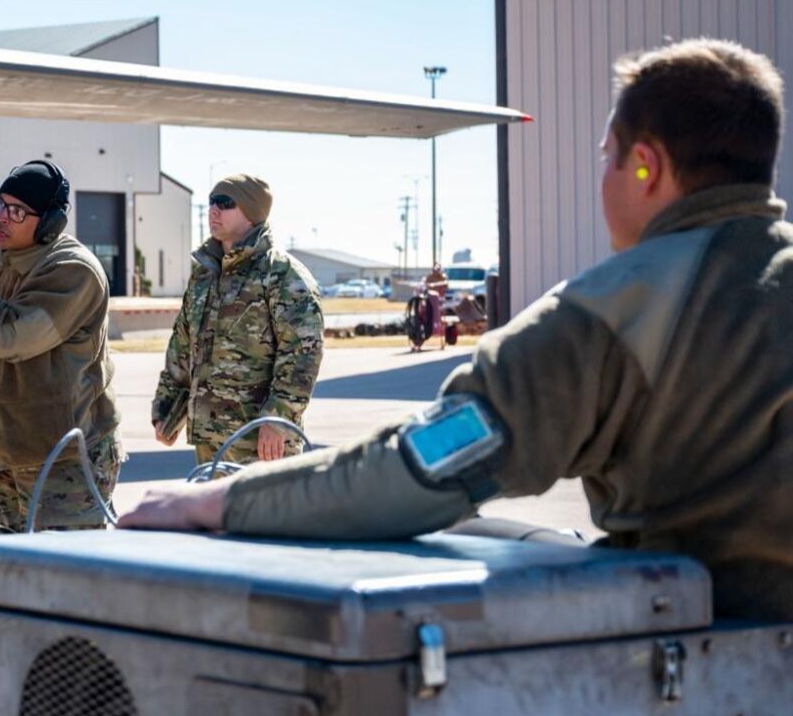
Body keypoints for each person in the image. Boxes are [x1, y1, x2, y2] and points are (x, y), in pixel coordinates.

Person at [120, 38, 793, 621]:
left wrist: (220, 501)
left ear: (645, 167)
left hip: (715, 680)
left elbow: (423, 466)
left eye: (608, 157)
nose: (604, 177)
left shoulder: (621, 309)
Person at [0, 160, 119, 530]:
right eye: (0, 204)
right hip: (9, 459)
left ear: (49, 222)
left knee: (63, 576)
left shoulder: (73, 269)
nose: (3, 216)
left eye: (17, 211)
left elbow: (14, 337)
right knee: (8, 573)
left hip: (66, 459)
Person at [151, 174, 324, 466]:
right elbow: (183, 343)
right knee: (216, 513)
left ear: (252, 213)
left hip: (261, 443)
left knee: (263, 513)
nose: (214, 210)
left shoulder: (281, 273)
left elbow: (302, 354)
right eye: (212, 202)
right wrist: (167, 409)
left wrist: (277, 419)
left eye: (225, 203)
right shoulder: (205, 274)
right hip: (210, 439)